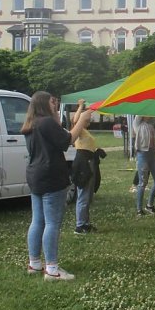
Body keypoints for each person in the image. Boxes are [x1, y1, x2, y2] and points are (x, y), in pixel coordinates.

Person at [22, 93, 90, 281]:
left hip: (36, 176)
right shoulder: (46, 123)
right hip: (51, 177)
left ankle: (34, 264)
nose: (55, 104)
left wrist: (57, 119)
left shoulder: (32, 123)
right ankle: (52, 270)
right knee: (52, 223)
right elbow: (66, 141)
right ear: (43, 103)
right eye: (53, 102)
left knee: (38, 221)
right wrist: (82, 120)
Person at [71, 100, 98, 234]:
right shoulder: (79, 130)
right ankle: (80, 226)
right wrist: (83, 107)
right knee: (83, 195)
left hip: (89, 161)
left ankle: (86, 223)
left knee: (87, 195)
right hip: (83, 163)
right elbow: (76, 120)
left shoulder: (85, 131)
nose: (89, 118)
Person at [133, 115, 155, 215]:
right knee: (142, 183)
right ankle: (139, 209)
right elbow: (139, 114)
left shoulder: (151, 124)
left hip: (153, 156)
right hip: (142, 155)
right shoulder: (137, 124)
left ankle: (149, 205)